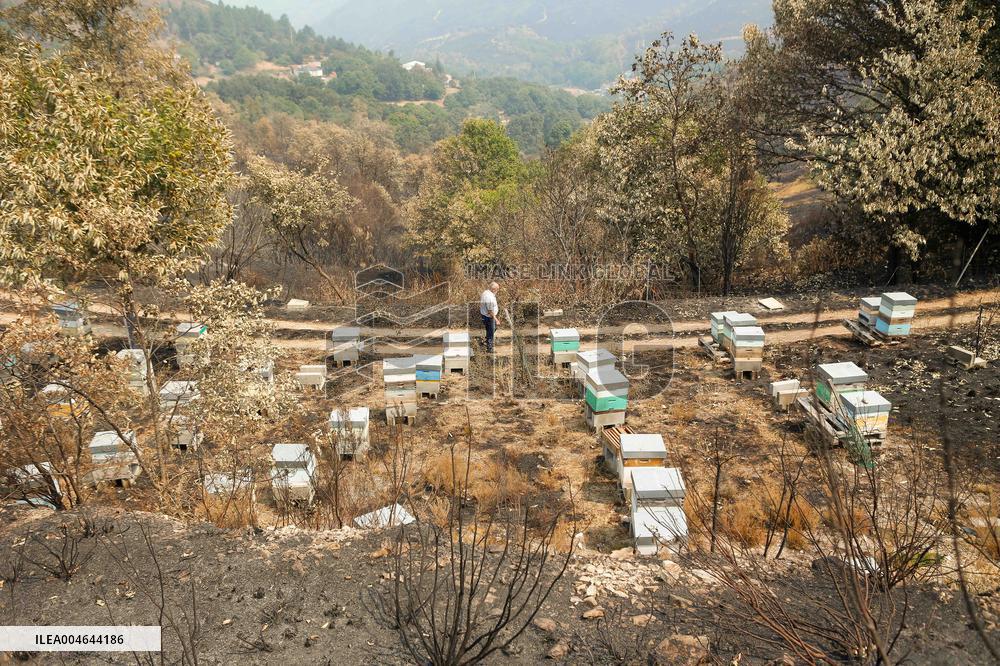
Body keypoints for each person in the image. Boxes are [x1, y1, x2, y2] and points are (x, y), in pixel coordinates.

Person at [480, 281, 499, 353]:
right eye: (497, 289)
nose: (497, 291)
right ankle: (489, 348)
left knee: (491, 330)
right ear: (493, 289)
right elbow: (490, 311)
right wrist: (496, 319)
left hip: (484, 315)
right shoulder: (489, 297)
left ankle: (485, 341)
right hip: (489, 317)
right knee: (491, 332)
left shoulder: (485, 292)